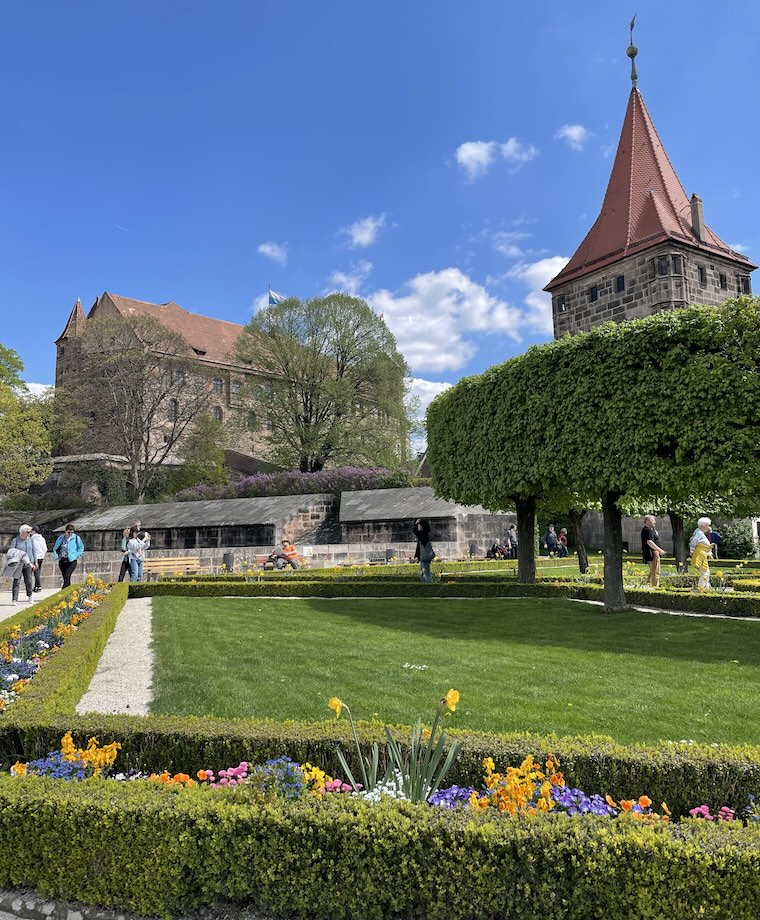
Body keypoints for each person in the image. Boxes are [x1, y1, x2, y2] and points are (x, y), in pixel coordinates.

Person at [4, 524, 37, 605]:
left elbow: (33, 551)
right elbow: (11, 551)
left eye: (30, 532)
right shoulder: (16, 540)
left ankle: (30, 596)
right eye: (28, 532)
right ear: (22, 532)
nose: (29, 533)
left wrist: (35, 561)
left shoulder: (31, 540)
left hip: (28, 563)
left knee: (28, 580)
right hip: (18, 563)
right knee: (17, 581)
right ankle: (14, 599)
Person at [53, 524, 84, 588]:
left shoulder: (76, 538)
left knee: (67, 575)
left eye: (72, 532)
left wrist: (77, 555)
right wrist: (56, 556)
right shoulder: (61, 538)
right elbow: (55, 547)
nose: (70, 534)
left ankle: (63, 592)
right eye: (68, 532)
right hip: (62, 559)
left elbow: (81, 547)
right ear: (65, 531)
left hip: (72, 560)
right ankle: (68, 592)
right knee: (66, 578)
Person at [641, 514, 667, 587]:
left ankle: (648, 584)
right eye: (653, 520)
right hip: (652, 553)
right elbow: (649, 542)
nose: (655, 522)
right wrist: (660, 550)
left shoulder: (649, 530)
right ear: (647, 521)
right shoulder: (648, 530)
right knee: (656, 571)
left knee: (653, 570)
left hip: (651, 552)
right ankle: (654, 586)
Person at [690, 517, 714, 591]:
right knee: (705, 572)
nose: (708, 527)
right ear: (703, 525)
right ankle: (703, 587)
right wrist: (692, 550)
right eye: (707, 525)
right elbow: (694, 541)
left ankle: (704, 586)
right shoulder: (699, 533)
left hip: (701, 554)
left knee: (705, 572)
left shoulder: (699, 532)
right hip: (700, 554)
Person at [30, 525, 48, 592]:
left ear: (34, 531)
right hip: (41, 556)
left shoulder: (32, 539)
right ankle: (36, 586)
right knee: (38, 571)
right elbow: (45, 548)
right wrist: (42, 554)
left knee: (35, 572)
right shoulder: (42, 538)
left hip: (35, 557)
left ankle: (39, 586)